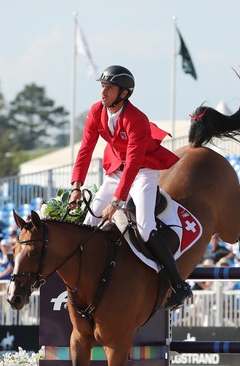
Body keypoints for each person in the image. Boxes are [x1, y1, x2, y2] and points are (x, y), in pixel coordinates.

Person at [68, 65, 189, 310]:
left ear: (123, 93)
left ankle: (178, 284)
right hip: (115, 171)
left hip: (142, 171)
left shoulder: (136, 119)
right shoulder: (96, 111)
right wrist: (76, 185)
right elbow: (85, 149)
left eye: (109, 88)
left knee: (145, 226)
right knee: (88, 224)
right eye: (102, 86)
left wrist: (116, 202)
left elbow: (134, 162)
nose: (103, 91)